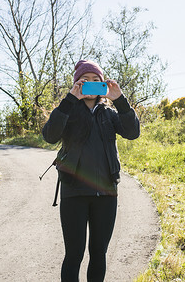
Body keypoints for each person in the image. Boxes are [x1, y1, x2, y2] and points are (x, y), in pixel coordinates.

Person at [42, 60, 140, 281]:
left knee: (99, 254)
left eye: (96, 81)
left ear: (103, 86)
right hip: (73, 193)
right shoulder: (67, 111)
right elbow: (50, 136)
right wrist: (69, 101)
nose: (91, 85)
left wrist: (121, 101)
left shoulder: (109, 113)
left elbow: (132, 133)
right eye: (84, 81)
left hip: (106, 194)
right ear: (76, 84)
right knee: (74, 255)